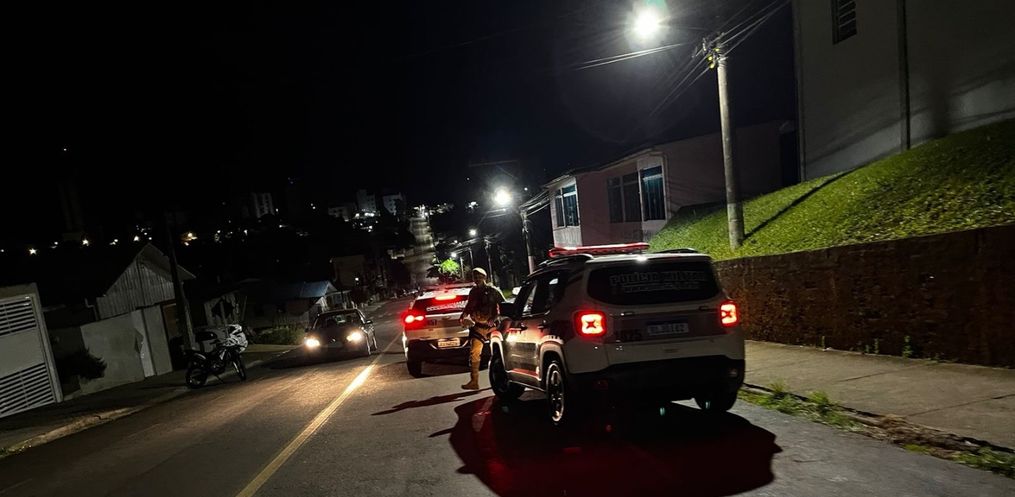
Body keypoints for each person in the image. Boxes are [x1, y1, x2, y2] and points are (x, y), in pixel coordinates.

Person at [459, 267, 504, 390]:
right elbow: (469, 306)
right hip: (478, 327)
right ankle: (474, 381)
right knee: (474, 353)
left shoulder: (493, 291)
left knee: (498, 353)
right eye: (475, 277)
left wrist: (494, 318)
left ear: (484, 277)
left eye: (479, 276)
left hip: (492, 327)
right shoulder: (473, 292)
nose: (477, 279)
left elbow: (504, 306)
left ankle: (502, 379)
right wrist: (463, 315)